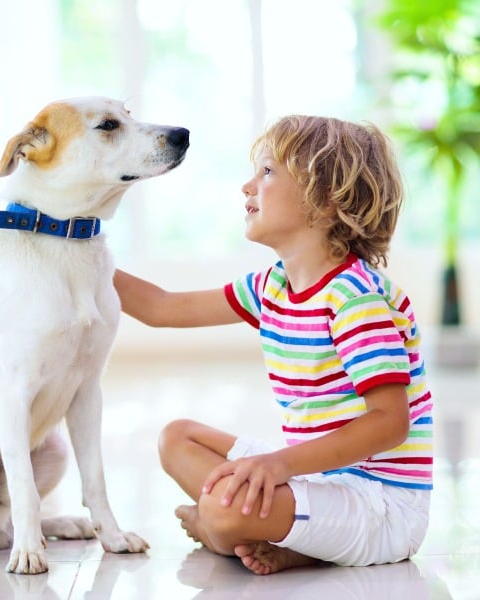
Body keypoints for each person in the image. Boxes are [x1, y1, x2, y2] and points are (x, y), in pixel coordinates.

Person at [113, 114, 433, 575]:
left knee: (222, 507)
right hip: (319, 480)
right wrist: (77, 253)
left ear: (325, 199)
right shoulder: (272, 286)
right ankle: (280, 536)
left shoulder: (354, 299)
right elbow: (163, 308)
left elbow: (390, 424)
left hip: (380, 505)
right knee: (177, 438)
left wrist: (278, 465)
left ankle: (221, 528)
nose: (247, 186)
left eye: (266, 172)